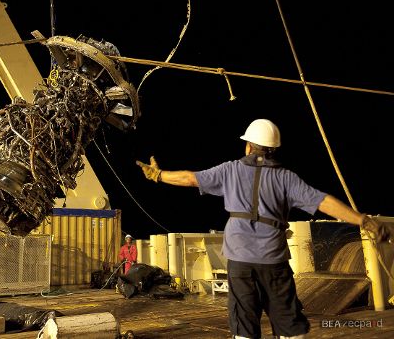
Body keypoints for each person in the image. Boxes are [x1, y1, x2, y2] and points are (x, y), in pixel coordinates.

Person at [136, 119, 389, 339]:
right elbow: (323, 202)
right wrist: (363, 220)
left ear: (248, 146)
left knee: (244, 325)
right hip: (274, 262)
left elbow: (191, 178)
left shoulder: (230, 170)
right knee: (290, 324)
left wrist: (159, 175)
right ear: (273, 149)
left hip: (240, 261)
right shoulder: (287, 178)